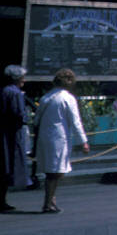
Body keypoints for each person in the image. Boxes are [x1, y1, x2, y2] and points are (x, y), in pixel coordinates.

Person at [34, 68, 88, 213]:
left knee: (51, 171)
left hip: (44, 137)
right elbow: (76, 121)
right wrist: (83, 140)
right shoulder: (68, 98)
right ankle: (48, 202)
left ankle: (51, 200)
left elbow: (36, 119)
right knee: (55, 171)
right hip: (59, 138)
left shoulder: (46, 97)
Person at [0, 64, 31, 212]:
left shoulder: (1, 92)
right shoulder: (16, 93)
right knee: (10, 164)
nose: (24, 80)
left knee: (2, 165)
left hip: (0, 133)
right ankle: (2, 199)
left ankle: (1, 198)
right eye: (22, 78)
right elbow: (18, 114)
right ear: (16, 78)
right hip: (12, 135)